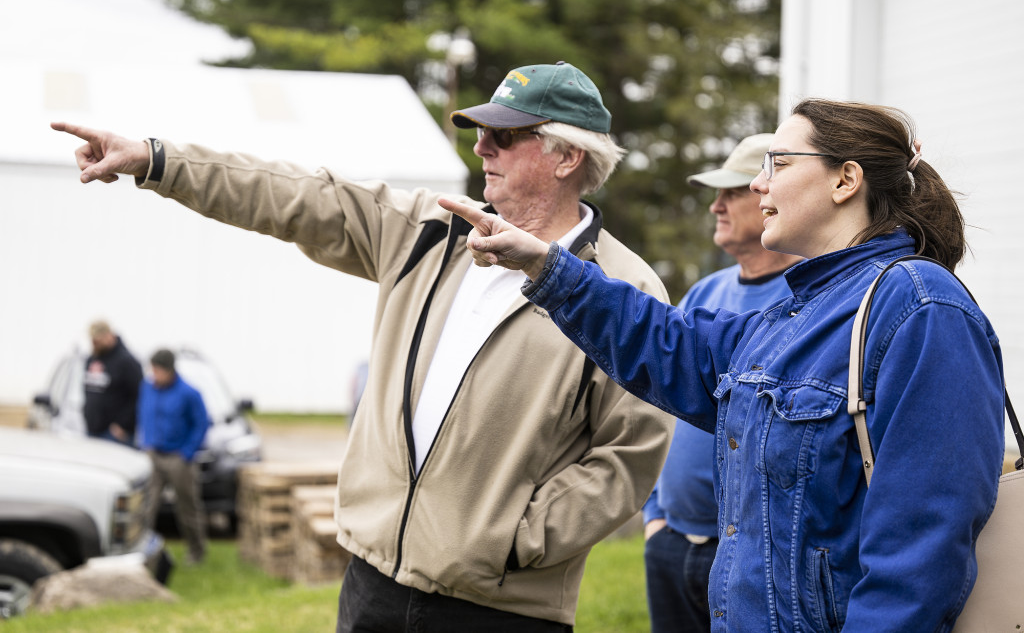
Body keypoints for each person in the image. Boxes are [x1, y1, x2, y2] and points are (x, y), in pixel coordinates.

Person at [51, 61, 674, 631]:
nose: (480, 145)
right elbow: (294, 195)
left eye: (505, 135)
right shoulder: (430, 232)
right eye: (481, 131)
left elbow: (628, 456)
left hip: (502, 608)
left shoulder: (627, 289)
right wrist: (158, 161)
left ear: (566, 157)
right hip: (372, 584)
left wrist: (511, 539)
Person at [439, 98, 1006, 632]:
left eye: (778, 163)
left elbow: (920, 553)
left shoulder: (921, 309)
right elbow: (668, 342)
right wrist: (547, 265)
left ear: (845, 180)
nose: (758, 183)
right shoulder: (795, 311)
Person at [642, 133, 802, 633]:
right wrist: (654, 517)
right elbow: (663, 400)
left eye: (731, 192)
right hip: (670, 541)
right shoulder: (705, 291)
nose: (716, 205)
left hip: (750, 557)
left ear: (767, 194)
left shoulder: (804, 298)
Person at [137, 348, 210, 565]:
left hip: (178, 457)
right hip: (153, 453)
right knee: (146, 505)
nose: (154, 374)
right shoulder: (147, 388)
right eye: (152, 370)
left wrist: (187, 452)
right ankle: (141, 552)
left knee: (187, 506)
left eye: (158, 370)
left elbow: (201, 424)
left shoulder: (189, 393)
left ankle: (196, 551)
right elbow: (143, 416)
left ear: (169, 370)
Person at [83, 319, 142, 445]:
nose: (94, 344)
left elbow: (139, 396)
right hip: (91, 431)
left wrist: (123, 425)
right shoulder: (91, 360)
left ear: (108, 336)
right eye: (93, 341)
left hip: (115, 435)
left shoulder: (127, 362)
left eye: (97, 341)